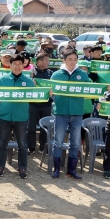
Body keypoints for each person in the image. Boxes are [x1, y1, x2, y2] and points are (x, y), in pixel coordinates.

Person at [50, 50, 89, 180]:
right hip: (61, 114)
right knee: (58, 142)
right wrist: (57, 101)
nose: (72, 61)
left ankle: (71, 170)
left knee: (75, 144)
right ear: (64, 60)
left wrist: (105, 89)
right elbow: (49, 92)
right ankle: (56, 170)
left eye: (75, 59)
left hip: (77, 114)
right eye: (70, 59)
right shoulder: (56, 75)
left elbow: (91, 88)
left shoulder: (82, 74)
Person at [0, 54, 34, 178]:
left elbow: (36, 96)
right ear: (10, 65)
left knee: (22, 144)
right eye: (14, 64)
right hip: (5, 116)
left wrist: (47, 93)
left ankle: (22, 168)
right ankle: (1, 166)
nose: (17, 66)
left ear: (23, 65)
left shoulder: (28, 81)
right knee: (2, 143)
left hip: (21, 117)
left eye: (19, 64)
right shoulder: (2, 80)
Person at [28, 53, 54, 154]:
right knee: (31, 127)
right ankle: (31, 147)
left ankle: (44, 147)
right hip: (33, 104)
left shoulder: (51, 73)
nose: (48, 63)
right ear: (39, 62)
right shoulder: (31, 73)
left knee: (45, 127)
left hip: (47, 104)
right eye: (46, 60)